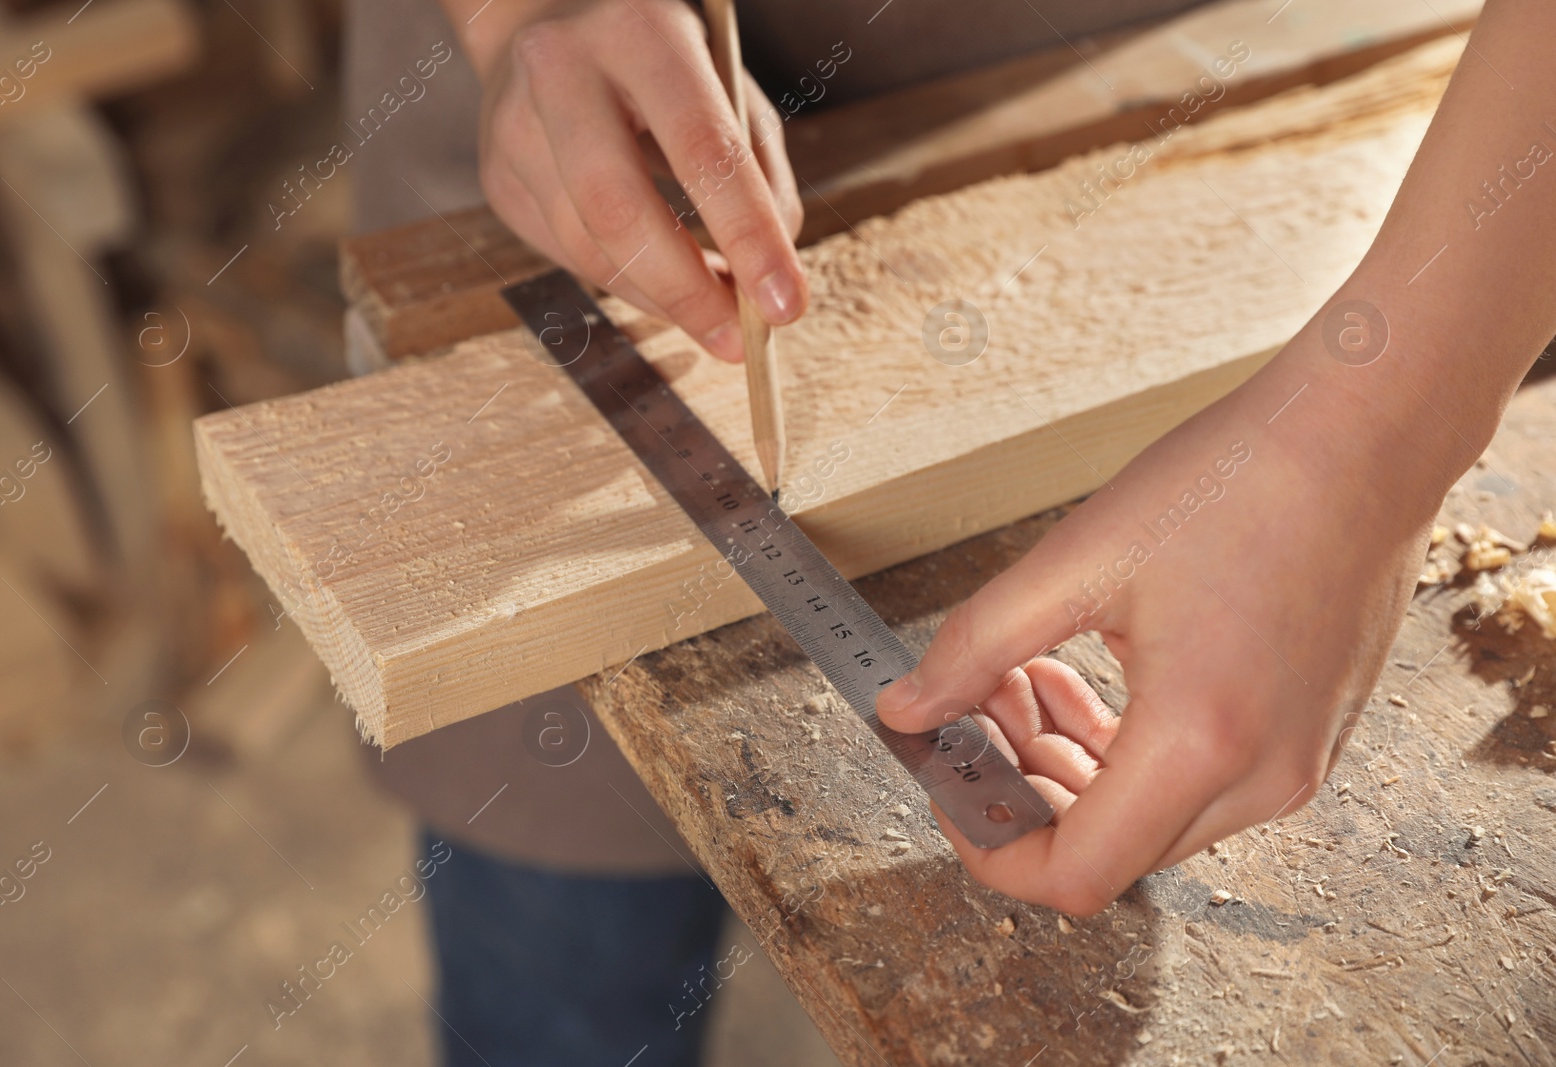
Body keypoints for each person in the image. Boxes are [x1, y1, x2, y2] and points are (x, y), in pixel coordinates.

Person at [344, 0, 1556, 1062]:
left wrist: (1368, 436)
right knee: (561, 970)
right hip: (575, 136)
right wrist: (518, 17)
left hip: (1164, 102)